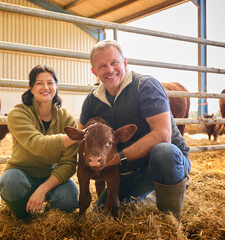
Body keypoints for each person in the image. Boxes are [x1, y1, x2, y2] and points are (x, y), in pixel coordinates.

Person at [79, 39, 191, 219]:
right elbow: (79, 136)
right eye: (102, 66)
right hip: (128, 173)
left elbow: (163, 136)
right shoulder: (92, 100)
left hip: (163, 164)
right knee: (100, 215)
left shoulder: (145, 86)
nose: (109, 69)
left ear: (124, 62)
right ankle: (149, 196)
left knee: (164, 152)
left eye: (114, 62)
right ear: (94, 71)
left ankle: (170, 219)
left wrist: (118, 158)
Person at [0, 64, 79, 220]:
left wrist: (43, 189)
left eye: (50, 82)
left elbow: (69, 164)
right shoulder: (18, 113)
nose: (45, 87)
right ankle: (24, 215)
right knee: (10, 181)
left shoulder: (67, 119)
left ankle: (47, 214)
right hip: (22, 174)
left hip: (51, 177)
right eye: (39, 83)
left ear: (56, 86)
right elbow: (37, 145)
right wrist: (75, 136)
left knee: (70, 197)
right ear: (31, 87)